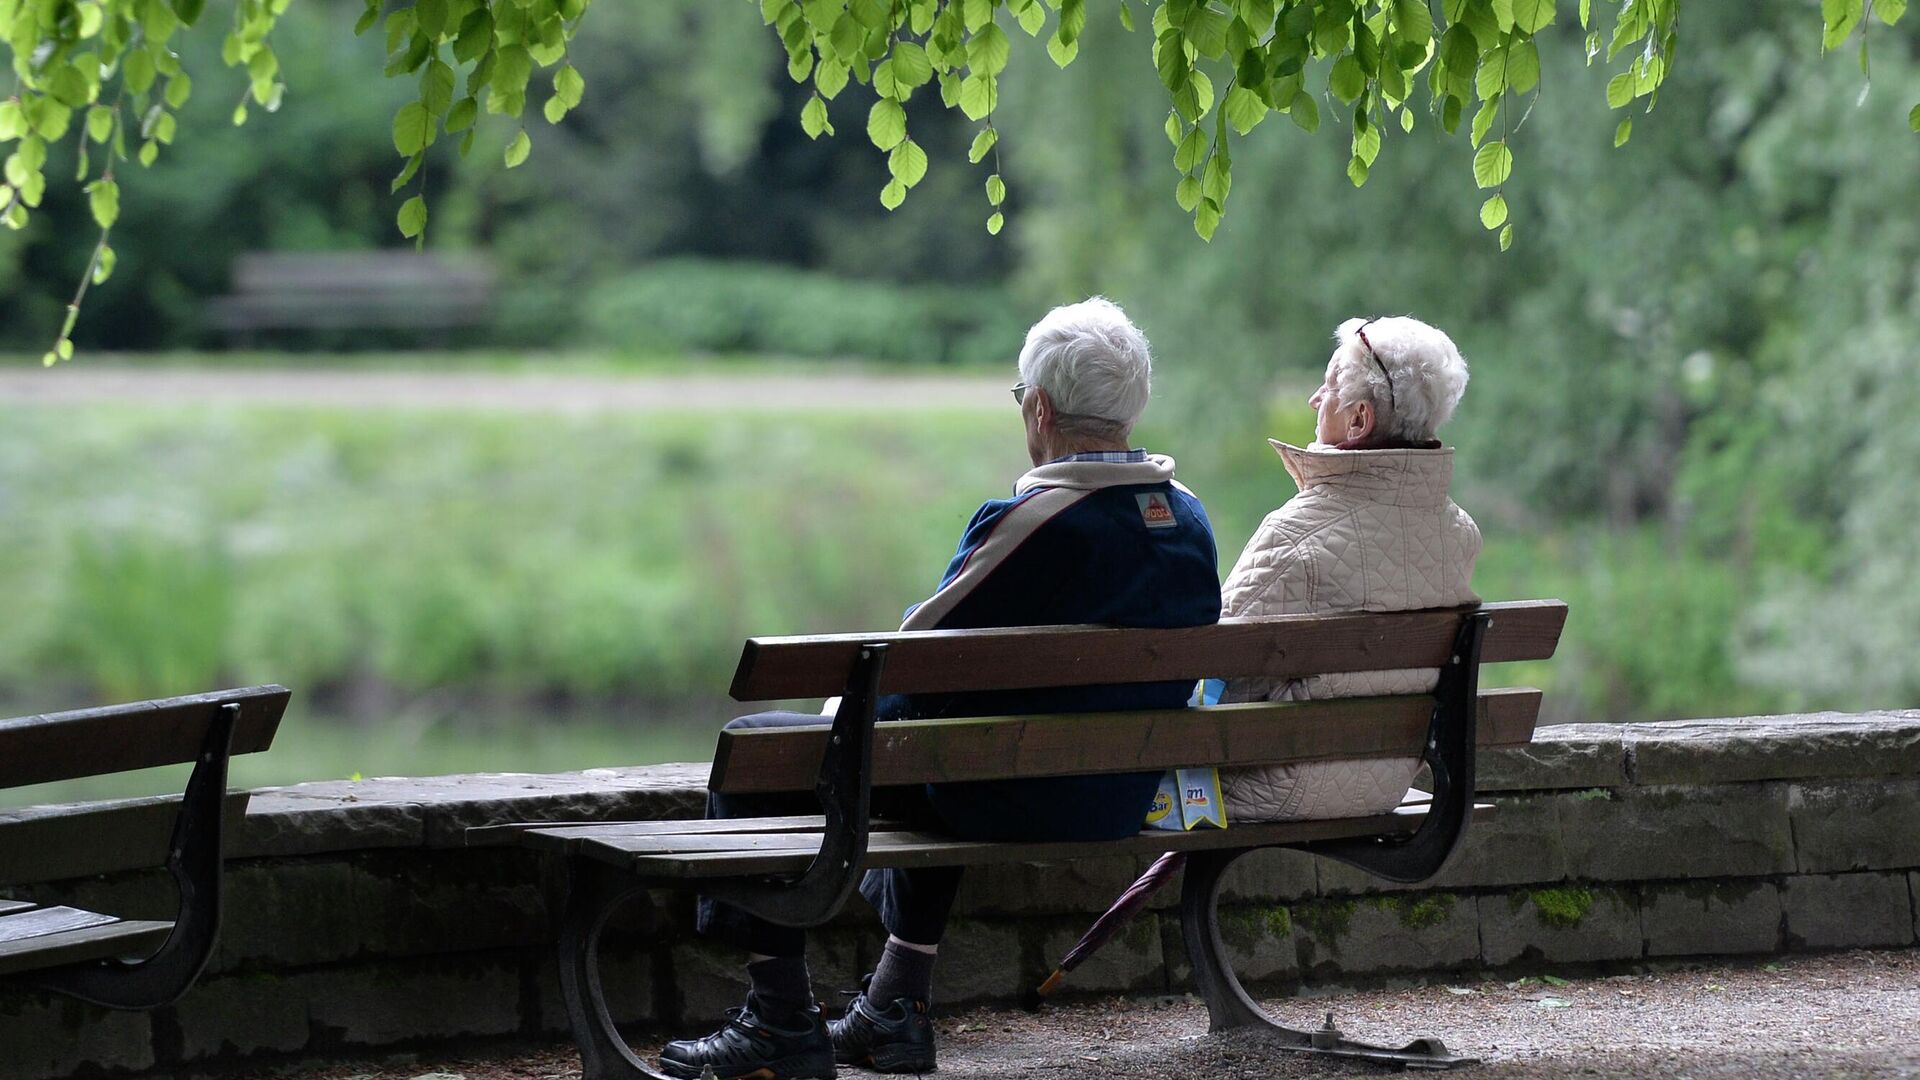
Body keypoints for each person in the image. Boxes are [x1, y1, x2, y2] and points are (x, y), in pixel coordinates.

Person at [660, 298, 1223, 1080]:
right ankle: (895, 1006)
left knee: (768, 748)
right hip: (1117, 796)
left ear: (1041, 408)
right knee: (946, 738)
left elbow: (905, 656)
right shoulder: (1188, 522)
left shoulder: (1036, 522)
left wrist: (836, 725)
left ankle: (780, 1018)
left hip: (1016, 796)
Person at [1216, 316, 1480, 823]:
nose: (1316, 399)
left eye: (1330, 384)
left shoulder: (1298, 533)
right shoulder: (1460, 534)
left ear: (1358, 421)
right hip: (1383, 786)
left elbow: (1215, 670)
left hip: (1273, 786)